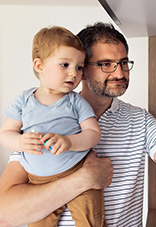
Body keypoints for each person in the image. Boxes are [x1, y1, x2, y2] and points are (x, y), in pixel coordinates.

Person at [0, 22, 156, 227]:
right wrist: (82, 180)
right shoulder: (40, 116)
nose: (120, 72)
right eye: (106, 64)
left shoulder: (139, 120)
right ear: (83, 71)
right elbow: (5, 213)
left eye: (123, 62)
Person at [0, 26, 105, 227]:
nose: (73, 73)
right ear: (39, 65)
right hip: (38, 181)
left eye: (79, 67)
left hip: (77, 168)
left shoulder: (75, 101)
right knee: (38, 222)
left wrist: (69, 141)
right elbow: (5, 133)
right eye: (65, 64)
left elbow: (93, 133)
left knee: (90, 220)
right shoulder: (24, 101)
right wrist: (20, 142)